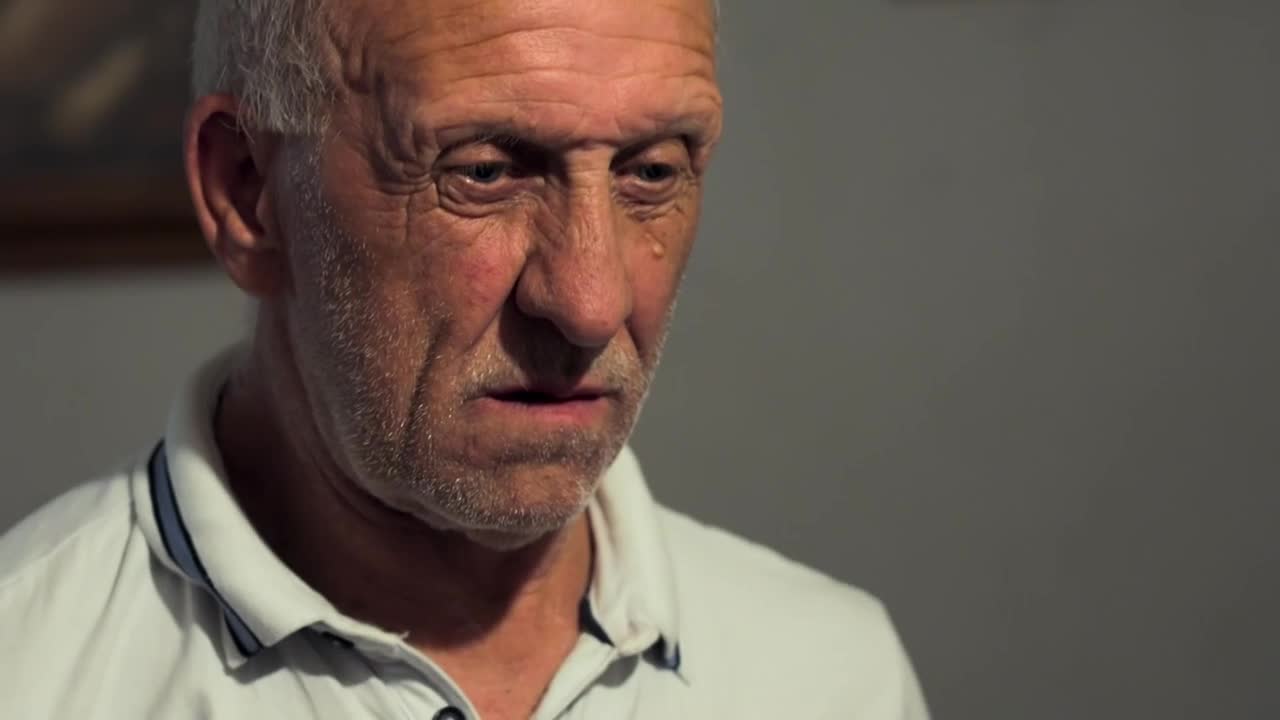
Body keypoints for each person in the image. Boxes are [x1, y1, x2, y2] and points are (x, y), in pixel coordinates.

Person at [0, 1, 929, 718]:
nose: (590, 302)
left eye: (651, 171)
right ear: (247, 191)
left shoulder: (831, 678)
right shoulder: (31, 673)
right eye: (484, 171)